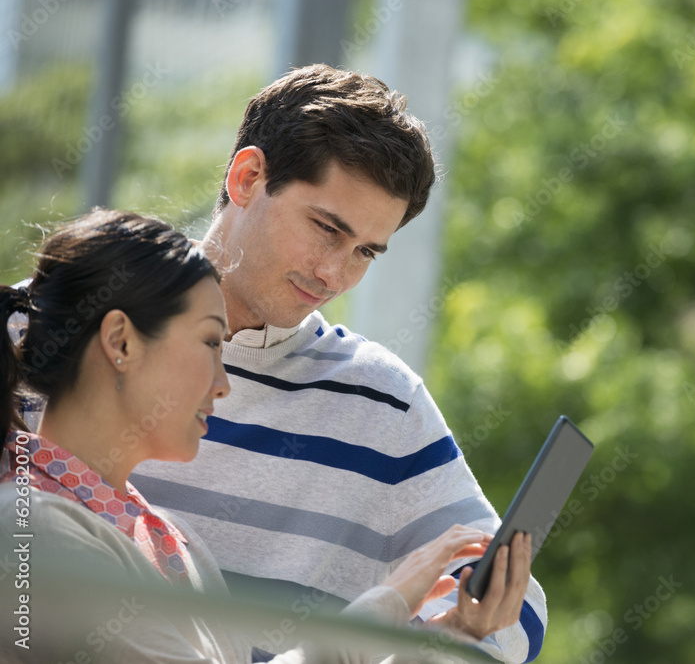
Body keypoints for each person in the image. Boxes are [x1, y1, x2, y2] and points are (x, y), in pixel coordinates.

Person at [121, 65, 546, 663]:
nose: (334, 274)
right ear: (246, 178)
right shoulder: (54, 333)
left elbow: (519, 615)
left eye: (366, 251)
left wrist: (448, 636)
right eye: (326, 228)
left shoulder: (382, 401)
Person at [0, 208, 531, 663]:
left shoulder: (169, 539)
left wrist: (449, 638)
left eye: (366, 250)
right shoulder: (33, 531)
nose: (224, 383)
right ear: (120, 341)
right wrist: (387, 603)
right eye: (210, 342)